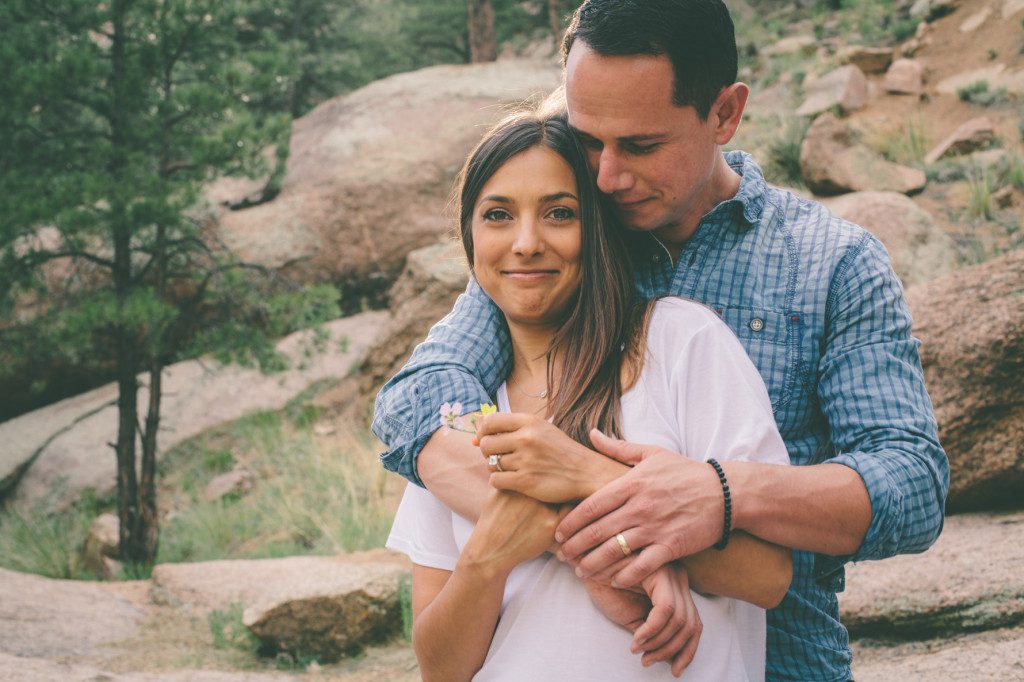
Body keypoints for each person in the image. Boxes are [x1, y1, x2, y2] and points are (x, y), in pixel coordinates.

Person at [375, 1, 949, 679]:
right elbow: (417, 401)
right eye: (588, 139)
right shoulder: (568, 236)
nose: (608, 176)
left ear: (725, 114)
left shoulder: (830, 262)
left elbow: (911, 484)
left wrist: (722, 495)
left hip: (778, 660)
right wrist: (601, 532)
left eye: (642, 146)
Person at [386, 109, 792, 681]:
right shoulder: (456, 416)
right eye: (498, 215)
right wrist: (489, 557)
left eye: (559, 213)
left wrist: (592, 489)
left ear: (597, 228)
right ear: (469, 235)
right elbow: (439, 669)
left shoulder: (680, 343)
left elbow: (766, 576)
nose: (526, 243)